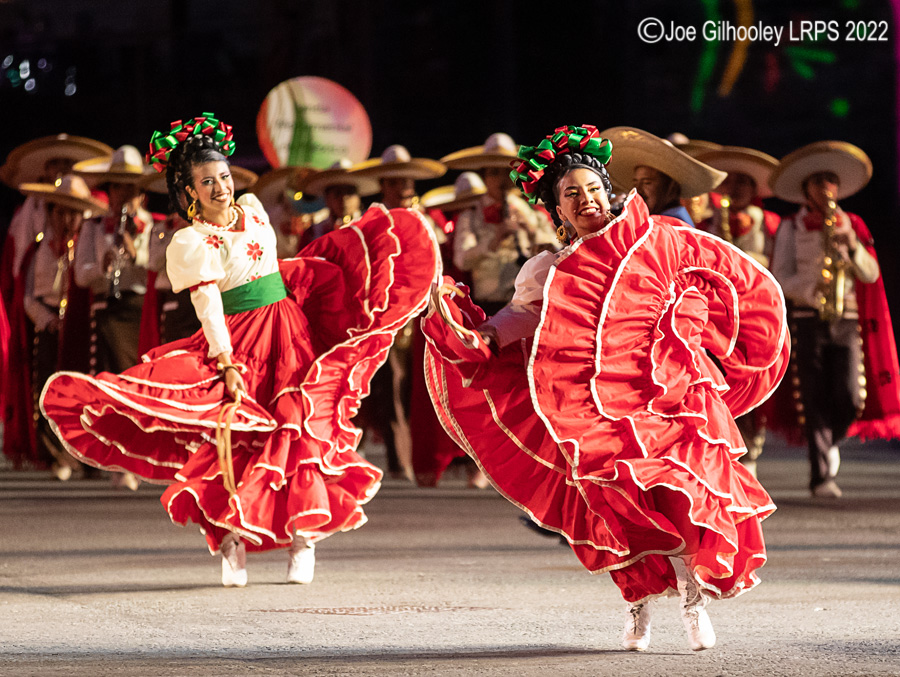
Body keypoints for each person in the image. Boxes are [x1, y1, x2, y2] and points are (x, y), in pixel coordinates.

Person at [422, 125, 789, 651]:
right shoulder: (549, 268)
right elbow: (522, 316)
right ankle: (637, 603)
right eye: (572, 194)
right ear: (558, 210)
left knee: (681, 491)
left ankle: (693, 596)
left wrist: (684, 328)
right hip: (592, 408)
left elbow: (706, 283)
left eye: (593, 189)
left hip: (668, 396)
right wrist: (481, 335)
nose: (587, 200)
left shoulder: (656, 242)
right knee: (614, 503)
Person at [40, 113, 439, 587]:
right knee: (233, 436)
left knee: (298, 431)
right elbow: (208, 307)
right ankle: (233, 537)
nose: (220, 187)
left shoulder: (252, 208)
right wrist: (225, 361)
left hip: (290, 332)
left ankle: (302, 537)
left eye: (224, 176)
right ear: (188, 192)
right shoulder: (189, 241)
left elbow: (276, 259)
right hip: (238, 339)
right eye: (207, 182)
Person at [768, 141, 900, 498]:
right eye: (818, 180)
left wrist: (853, 246)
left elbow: (871, 275)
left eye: (831, 179)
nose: (826, 186)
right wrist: (814, 290)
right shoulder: (791, 227)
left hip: (847, 318)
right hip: (808, 318)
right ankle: (821, 475)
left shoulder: (852, 223)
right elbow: (779, 275)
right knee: (811, 396)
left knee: (849, 395)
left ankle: (832, 442)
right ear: (806, 188)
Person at [2, 175, 105, 475]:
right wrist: (47, 321)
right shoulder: (40, 250)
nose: (67, 219)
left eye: (74, 212)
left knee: (83, 392)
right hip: (49, 326)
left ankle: (88, 455)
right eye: (60, 211)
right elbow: (28, 296)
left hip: (82, 327)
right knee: (48, 388)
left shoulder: (88, 247)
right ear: (50, 213)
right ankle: (55, 454)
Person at [695, 145, 782, 477]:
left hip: (756, 315)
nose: (735, 189)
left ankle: (752, 449)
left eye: (743, 183)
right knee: (721, 381)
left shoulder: (771, 223)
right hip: (716, 318)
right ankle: (726, 447)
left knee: (753, 378)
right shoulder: (706, 222)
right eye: (729, 183)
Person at [441, 133, 558, 317]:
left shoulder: (530, 210)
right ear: (484, 177)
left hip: (528, 303)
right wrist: (493, 241)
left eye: (506, 172)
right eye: (494, 173)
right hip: (490, 305)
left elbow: (555, 250)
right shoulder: (470, 216)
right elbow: (462, 260)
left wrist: (530, 230)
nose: (502, 179)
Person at [601, 127, 726, 225]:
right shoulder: (657, 218)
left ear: (671, 187)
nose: (638, 191)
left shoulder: (675, 224)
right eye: (635, 183)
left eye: (647, 183)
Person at [296, 160, 380, 248]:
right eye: (337, 193)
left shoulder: (371, 228)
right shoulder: (312, 234)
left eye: (349, 193)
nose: (343, 199)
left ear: (358, 198)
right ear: (327, 198)